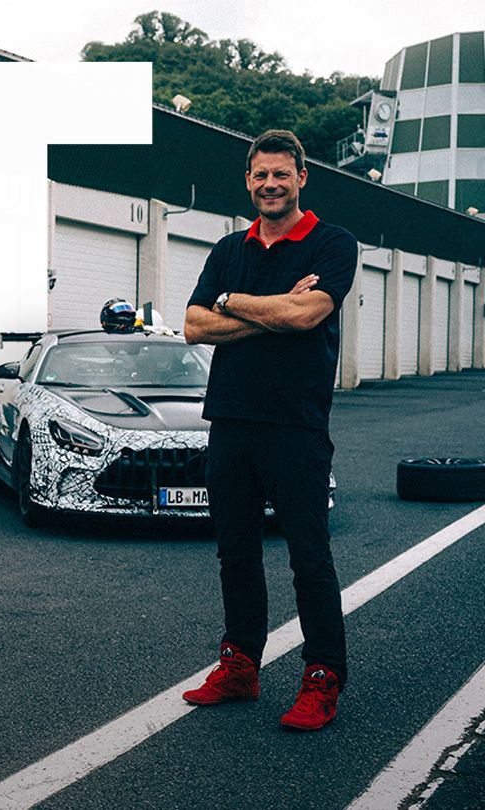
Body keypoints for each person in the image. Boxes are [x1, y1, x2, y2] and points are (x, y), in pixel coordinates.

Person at [181, 129, 357, 731]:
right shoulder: (229, 248)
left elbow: (309, 313)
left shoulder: (334, 242)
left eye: (282, 174)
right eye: (261, 175)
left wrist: (235, 304)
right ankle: (241, 665)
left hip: (297, 425)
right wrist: (272, 308)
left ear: (302, 177)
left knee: (309, 555)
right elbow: (194, 326)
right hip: (230, 421)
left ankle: (323, 677)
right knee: (236, 552)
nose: (271, 185)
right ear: (248, 181)